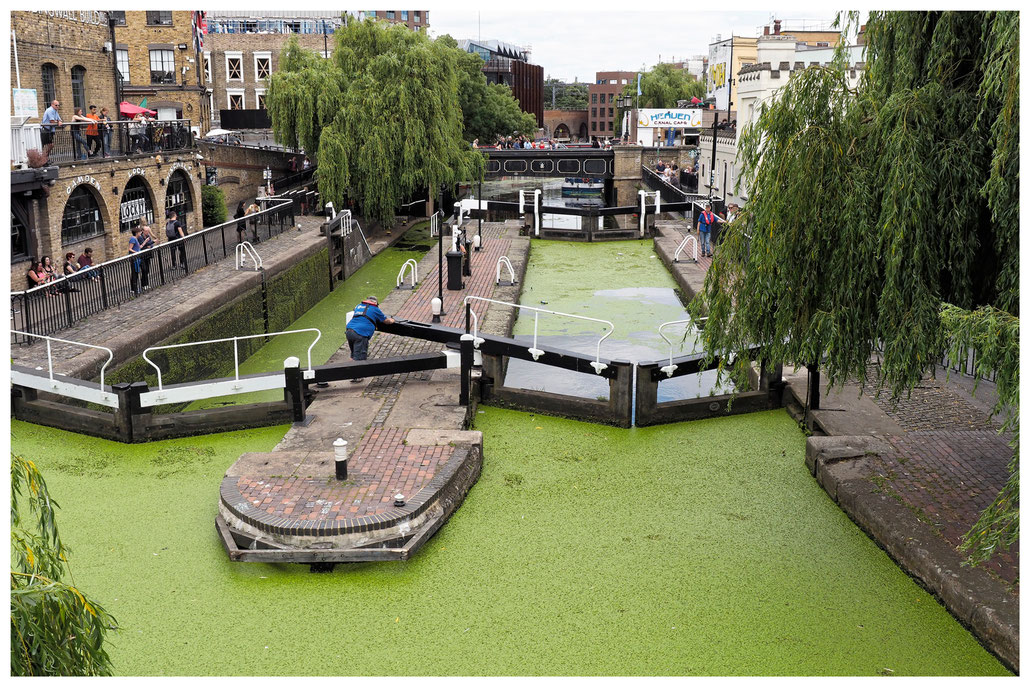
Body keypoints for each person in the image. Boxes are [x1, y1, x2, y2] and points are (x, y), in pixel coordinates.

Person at [345, 296, 395, 383]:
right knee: (360, 356)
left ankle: (350, 373)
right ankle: (356, 376)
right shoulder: (375, 309)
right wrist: (392, 320)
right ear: (375, 303)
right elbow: (386, 321)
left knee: (353, 354)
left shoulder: (359, 306)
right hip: (361, 333)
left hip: (349, 331)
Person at [138, 220, 157, 289]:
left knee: (147, 270)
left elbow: (150, 245)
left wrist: (150, 244)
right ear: (143, 231)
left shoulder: (148, 236)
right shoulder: (140, 237)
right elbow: (143, 245)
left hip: (148, 255)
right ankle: (143, 285)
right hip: (143, 256)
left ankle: (146, 284)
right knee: (144, 270)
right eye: (146, 231)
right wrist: (152, 242)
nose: (147, 232)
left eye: (148, 231)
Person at [128, 226, 143, 295]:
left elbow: (138, 247)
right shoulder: (133, 239)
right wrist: (136, 253)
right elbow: (130, 249)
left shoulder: (136, 239)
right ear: (136, 233)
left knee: (136, 273)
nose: (141, 233)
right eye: (140, 232)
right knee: (134, 273)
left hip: (137, 258)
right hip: (134, 259)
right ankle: (133, 288)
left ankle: (135, 287)